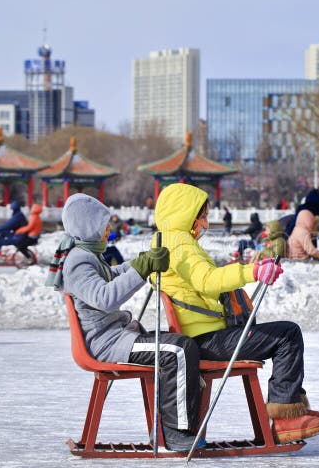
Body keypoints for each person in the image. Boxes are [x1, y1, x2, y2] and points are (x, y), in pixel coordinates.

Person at [155, 183, 319, 443]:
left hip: (203, 333)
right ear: (185, 214)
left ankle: (287, 408)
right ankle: (286, 417)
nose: (206, 222)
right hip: (208, 339)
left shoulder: (169, 241)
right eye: (202, 215)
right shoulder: (181, 245)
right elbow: (207, 280)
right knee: (287, 335)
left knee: (283, 333)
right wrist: (251, 271)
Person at [48, 193, 203, 452]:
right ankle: (174, 433)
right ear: (88, 226)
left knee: (178, 345)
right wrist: (143, 269)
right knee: (179, 350)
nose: (109, 228)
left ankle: (166, 425)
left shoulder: (88, 255)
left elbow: (113, 275)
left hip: (117, 336)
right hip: (107, 344)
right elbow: (105, 297)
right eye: (103, 224)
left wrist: (143, 261)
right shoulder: (78, 262)